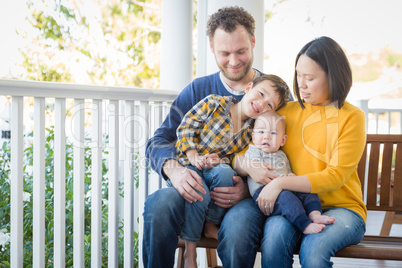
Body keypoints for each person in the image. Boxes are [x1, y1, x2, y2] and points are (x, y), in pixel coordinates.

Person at [143, 6, 293, 268]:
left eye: (241, 51)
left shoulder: (275, 96)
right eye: (224, 53)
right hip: (193, 182)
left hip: (242, 198)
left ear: (253, 42)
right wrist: (176, 170)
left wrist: (247, 190)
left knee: (238, 229)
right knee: (159, 204)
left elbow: (285, 154)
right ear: (211, 47)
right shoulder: (199, 91)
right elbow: (159, 140)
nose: (234, 61)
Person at [234, 36, 367, 267]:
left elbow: (335, 176)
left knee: (313, 251)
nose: (301, 84)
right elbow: (244, 153)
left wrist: (280, 183)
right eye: (298, 75)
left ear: (332, 77)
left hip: (344, 208)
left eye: (310, 78)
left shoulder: (352, 117)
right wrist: (248, 166)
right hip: (294, 204)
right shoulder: (286, 112)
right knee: (274, 240)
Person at [176, 75, 290, 267]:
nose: (261, 103)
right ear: (248, 87)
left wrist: (219, 161)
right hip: (190, 165)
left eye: (269, 105)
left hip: (215, 172)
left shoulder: (250, 134)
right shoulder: (214, 103)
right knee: (199, 183)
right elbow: (187, 126)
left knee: (224, 173)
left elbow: (232, 161)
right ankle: (191, 251)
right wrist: (194, 156)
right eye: (260, 94)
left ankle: (210, 224)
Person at [246, 111, 335, 235]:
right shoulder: (254, 152)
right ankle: (305, 225)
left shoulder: (281, 154)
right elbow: (256, 169)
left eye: (273, 133)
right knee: (287, 199)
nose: (266, 137)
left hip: (284, 186)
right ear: (254, 137)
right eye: (261, 132)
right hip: (264, 192)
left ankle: (315, 214)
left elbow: (287, 170)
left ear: (283, 140)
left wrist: (290, 176)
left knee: (307, 190)